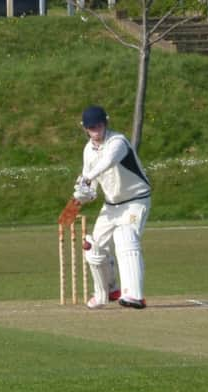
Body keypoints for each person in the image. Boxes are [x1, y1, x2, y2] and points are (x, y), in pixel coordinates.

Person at [72, 105, 152, 309]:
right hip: (111, 205)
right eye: (91, 128)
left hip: (136, 200)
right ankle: (106, 293)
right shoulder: (88, 150)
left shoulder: (118, 142)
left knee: (125, 236)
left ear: (105, 123)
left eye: (98, 126)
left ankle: (134, 296)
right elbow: (92, 186)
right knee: (93, 247)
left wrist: (86, 177)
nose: (96, 131)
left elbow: (107, 162)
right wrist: (84, 194)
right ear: (85, 129)